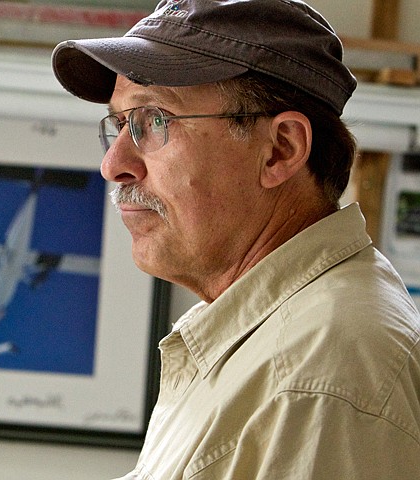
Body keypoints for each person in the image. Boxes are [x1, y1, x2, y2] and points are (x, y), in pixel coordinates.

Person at [51, 0, 420, 478]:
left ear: (280, 149)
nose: (113, 165)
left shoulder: (319, 380)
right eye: (121, 125)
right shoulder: (266, 344)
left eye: (155, 120)